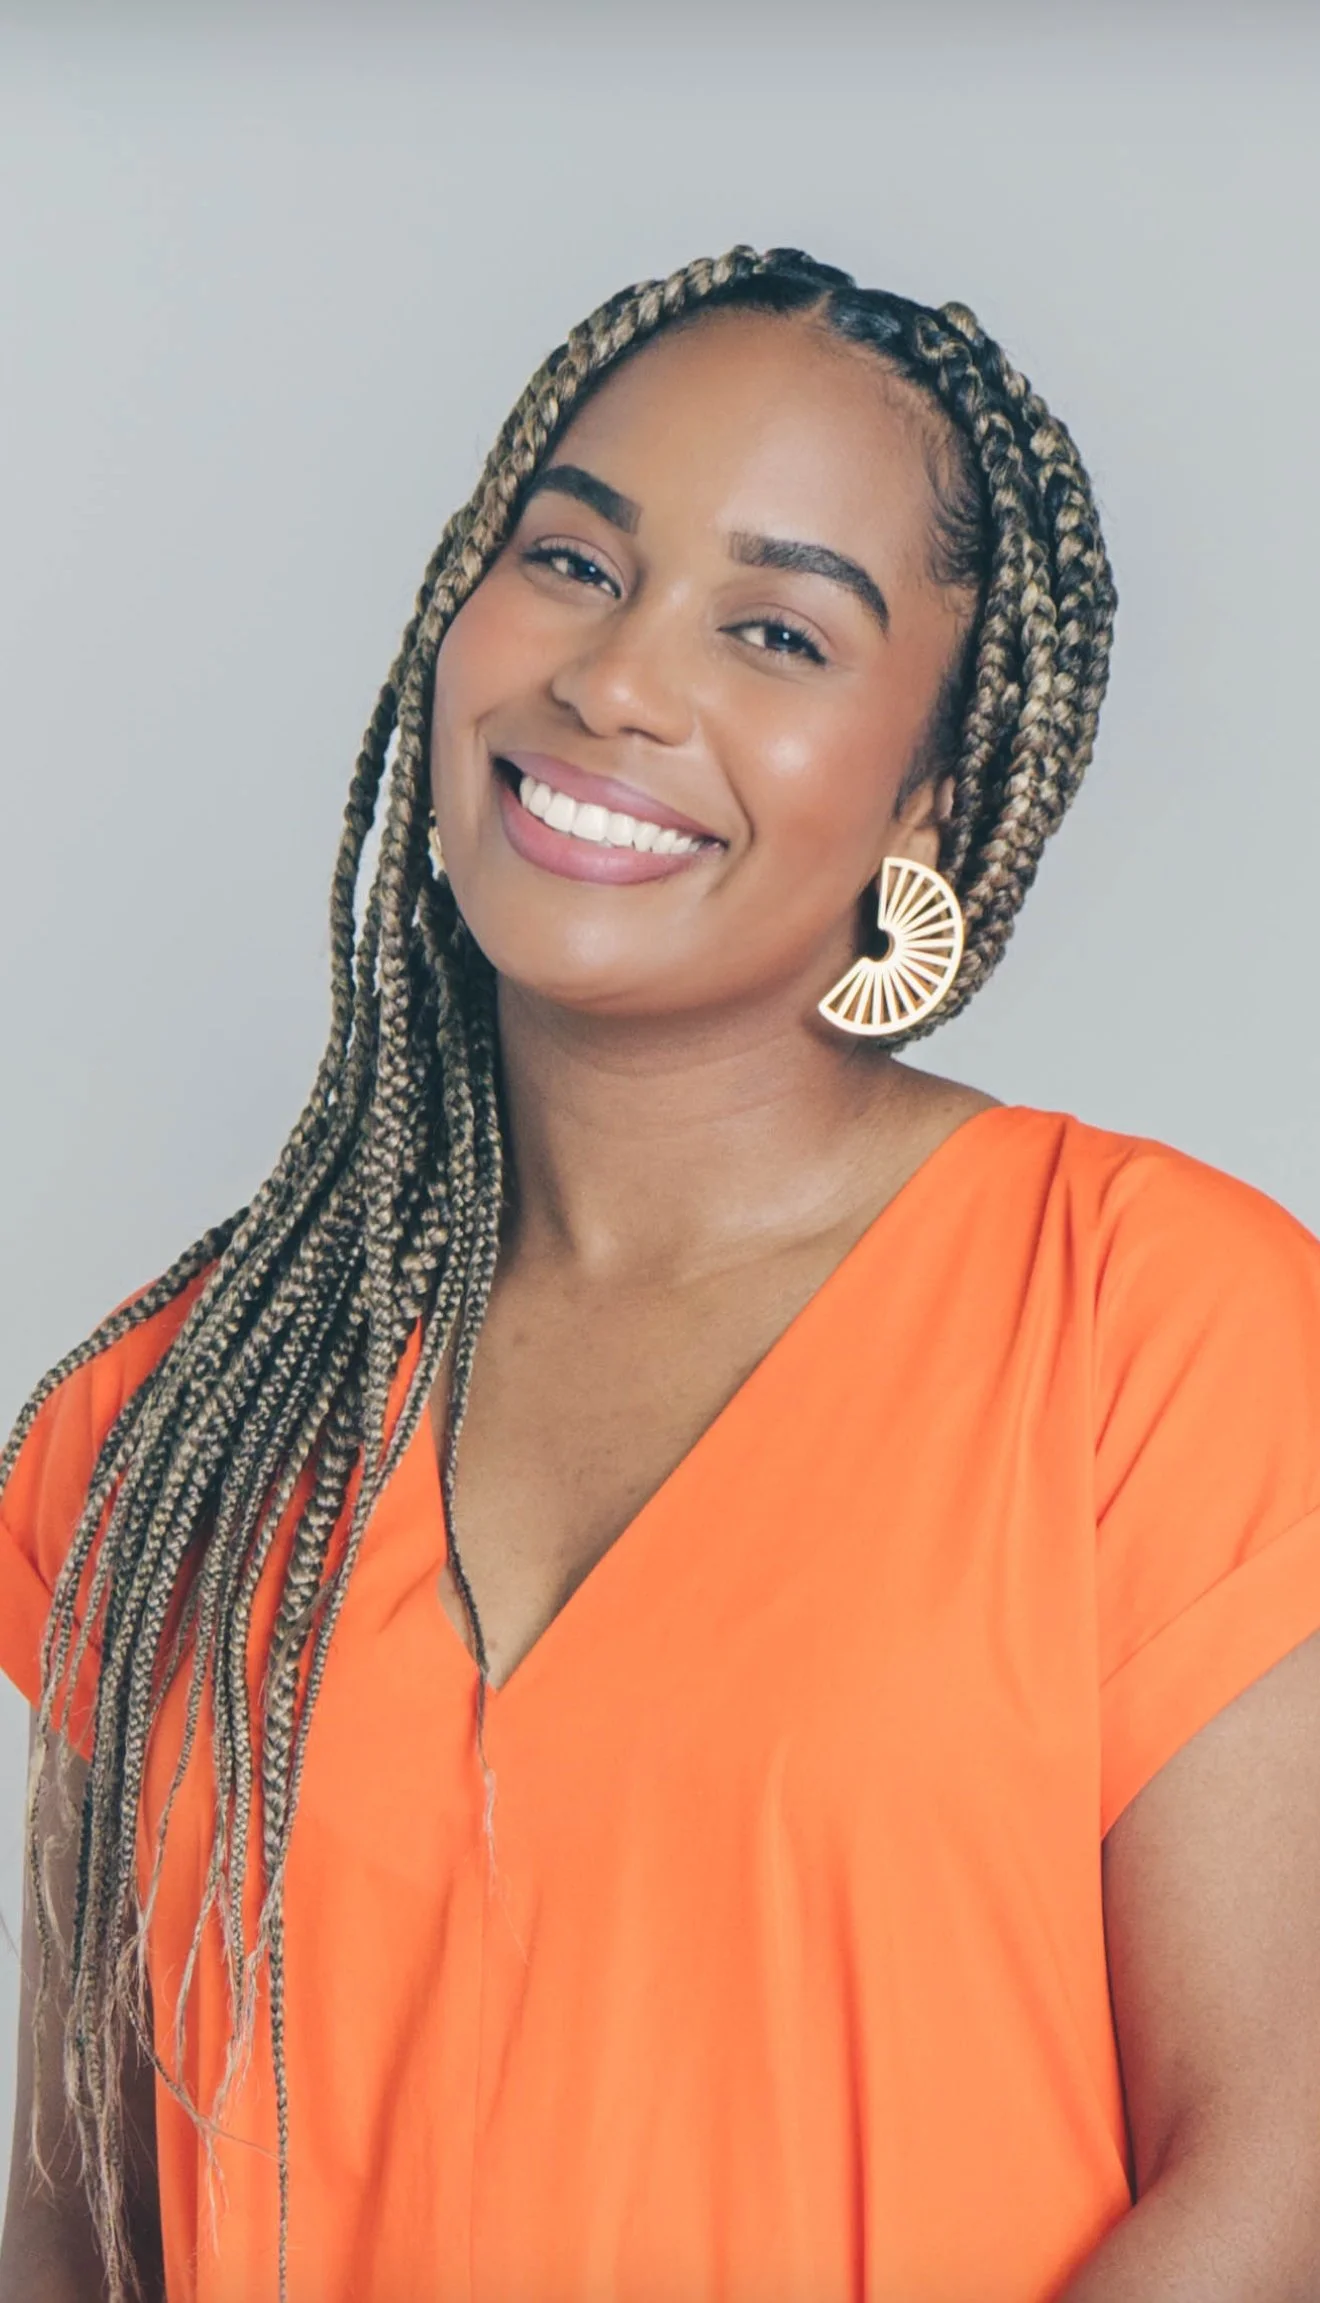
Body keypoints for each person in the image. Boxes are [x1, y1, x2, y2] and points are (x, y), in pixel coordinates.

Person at [1, 241, 1319, 2303]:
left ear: (932, 799)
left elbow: (1274, 2179)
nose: (617, 681)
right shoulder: (180, 1412)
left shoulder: (1153, 1324)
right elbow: (76, 2225)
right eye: (573, 560)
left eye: (778, 629)